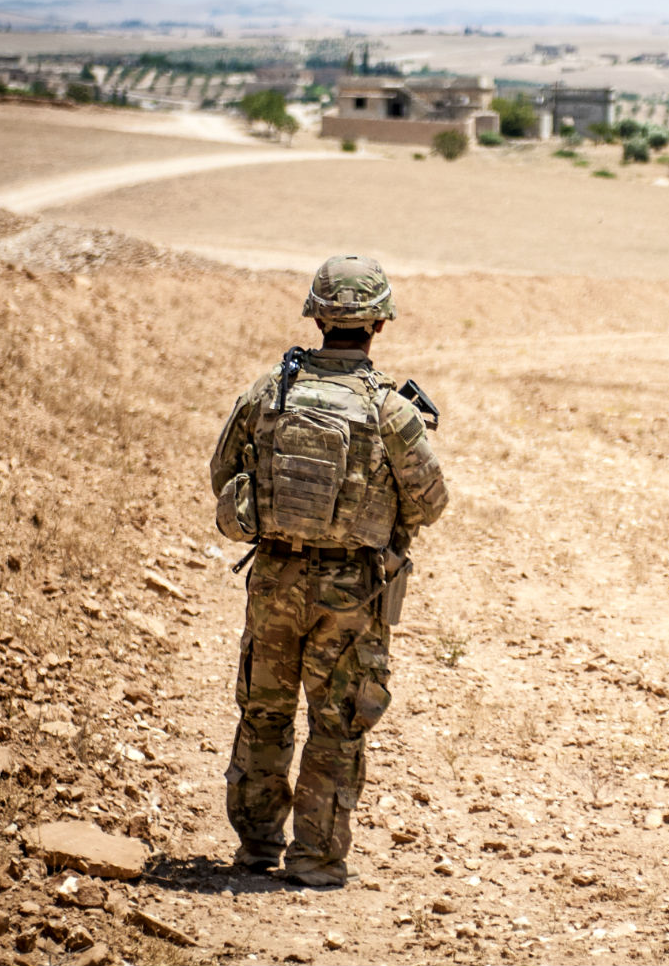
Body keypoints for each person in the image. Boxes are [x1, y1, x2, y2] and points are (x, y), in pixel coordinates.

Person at [209, 255, 448, 887]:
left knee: (264, 713)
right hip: (351, 594)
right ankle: (315, 857)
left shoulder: (270, 391)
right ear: (379, 323)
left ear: (316, 318)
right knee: (337, 725)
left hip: (273, 580)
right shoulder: (390, 409)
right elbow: (430, 502)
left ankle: (256, 847)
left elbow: (223, 474)